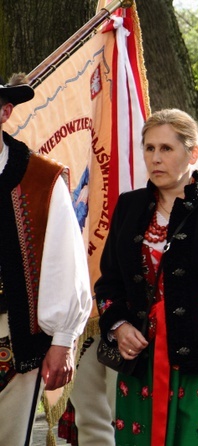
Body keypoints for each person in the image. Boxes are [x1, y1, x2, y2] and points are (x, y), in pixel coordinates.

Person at [96, 109, 198, 445]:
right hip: (140, 363)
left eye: (167, 149)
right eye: (149, 148)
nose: (156, 158)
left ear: (193, 153)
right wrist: (119, 326)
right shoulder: (129, 206)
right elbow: (109, 282)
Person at [0, 73, 92, 444]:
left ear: (5, 113)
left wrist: (64, 338)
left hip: (13, 333)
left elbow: (64, 259)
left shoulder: (41, 178)